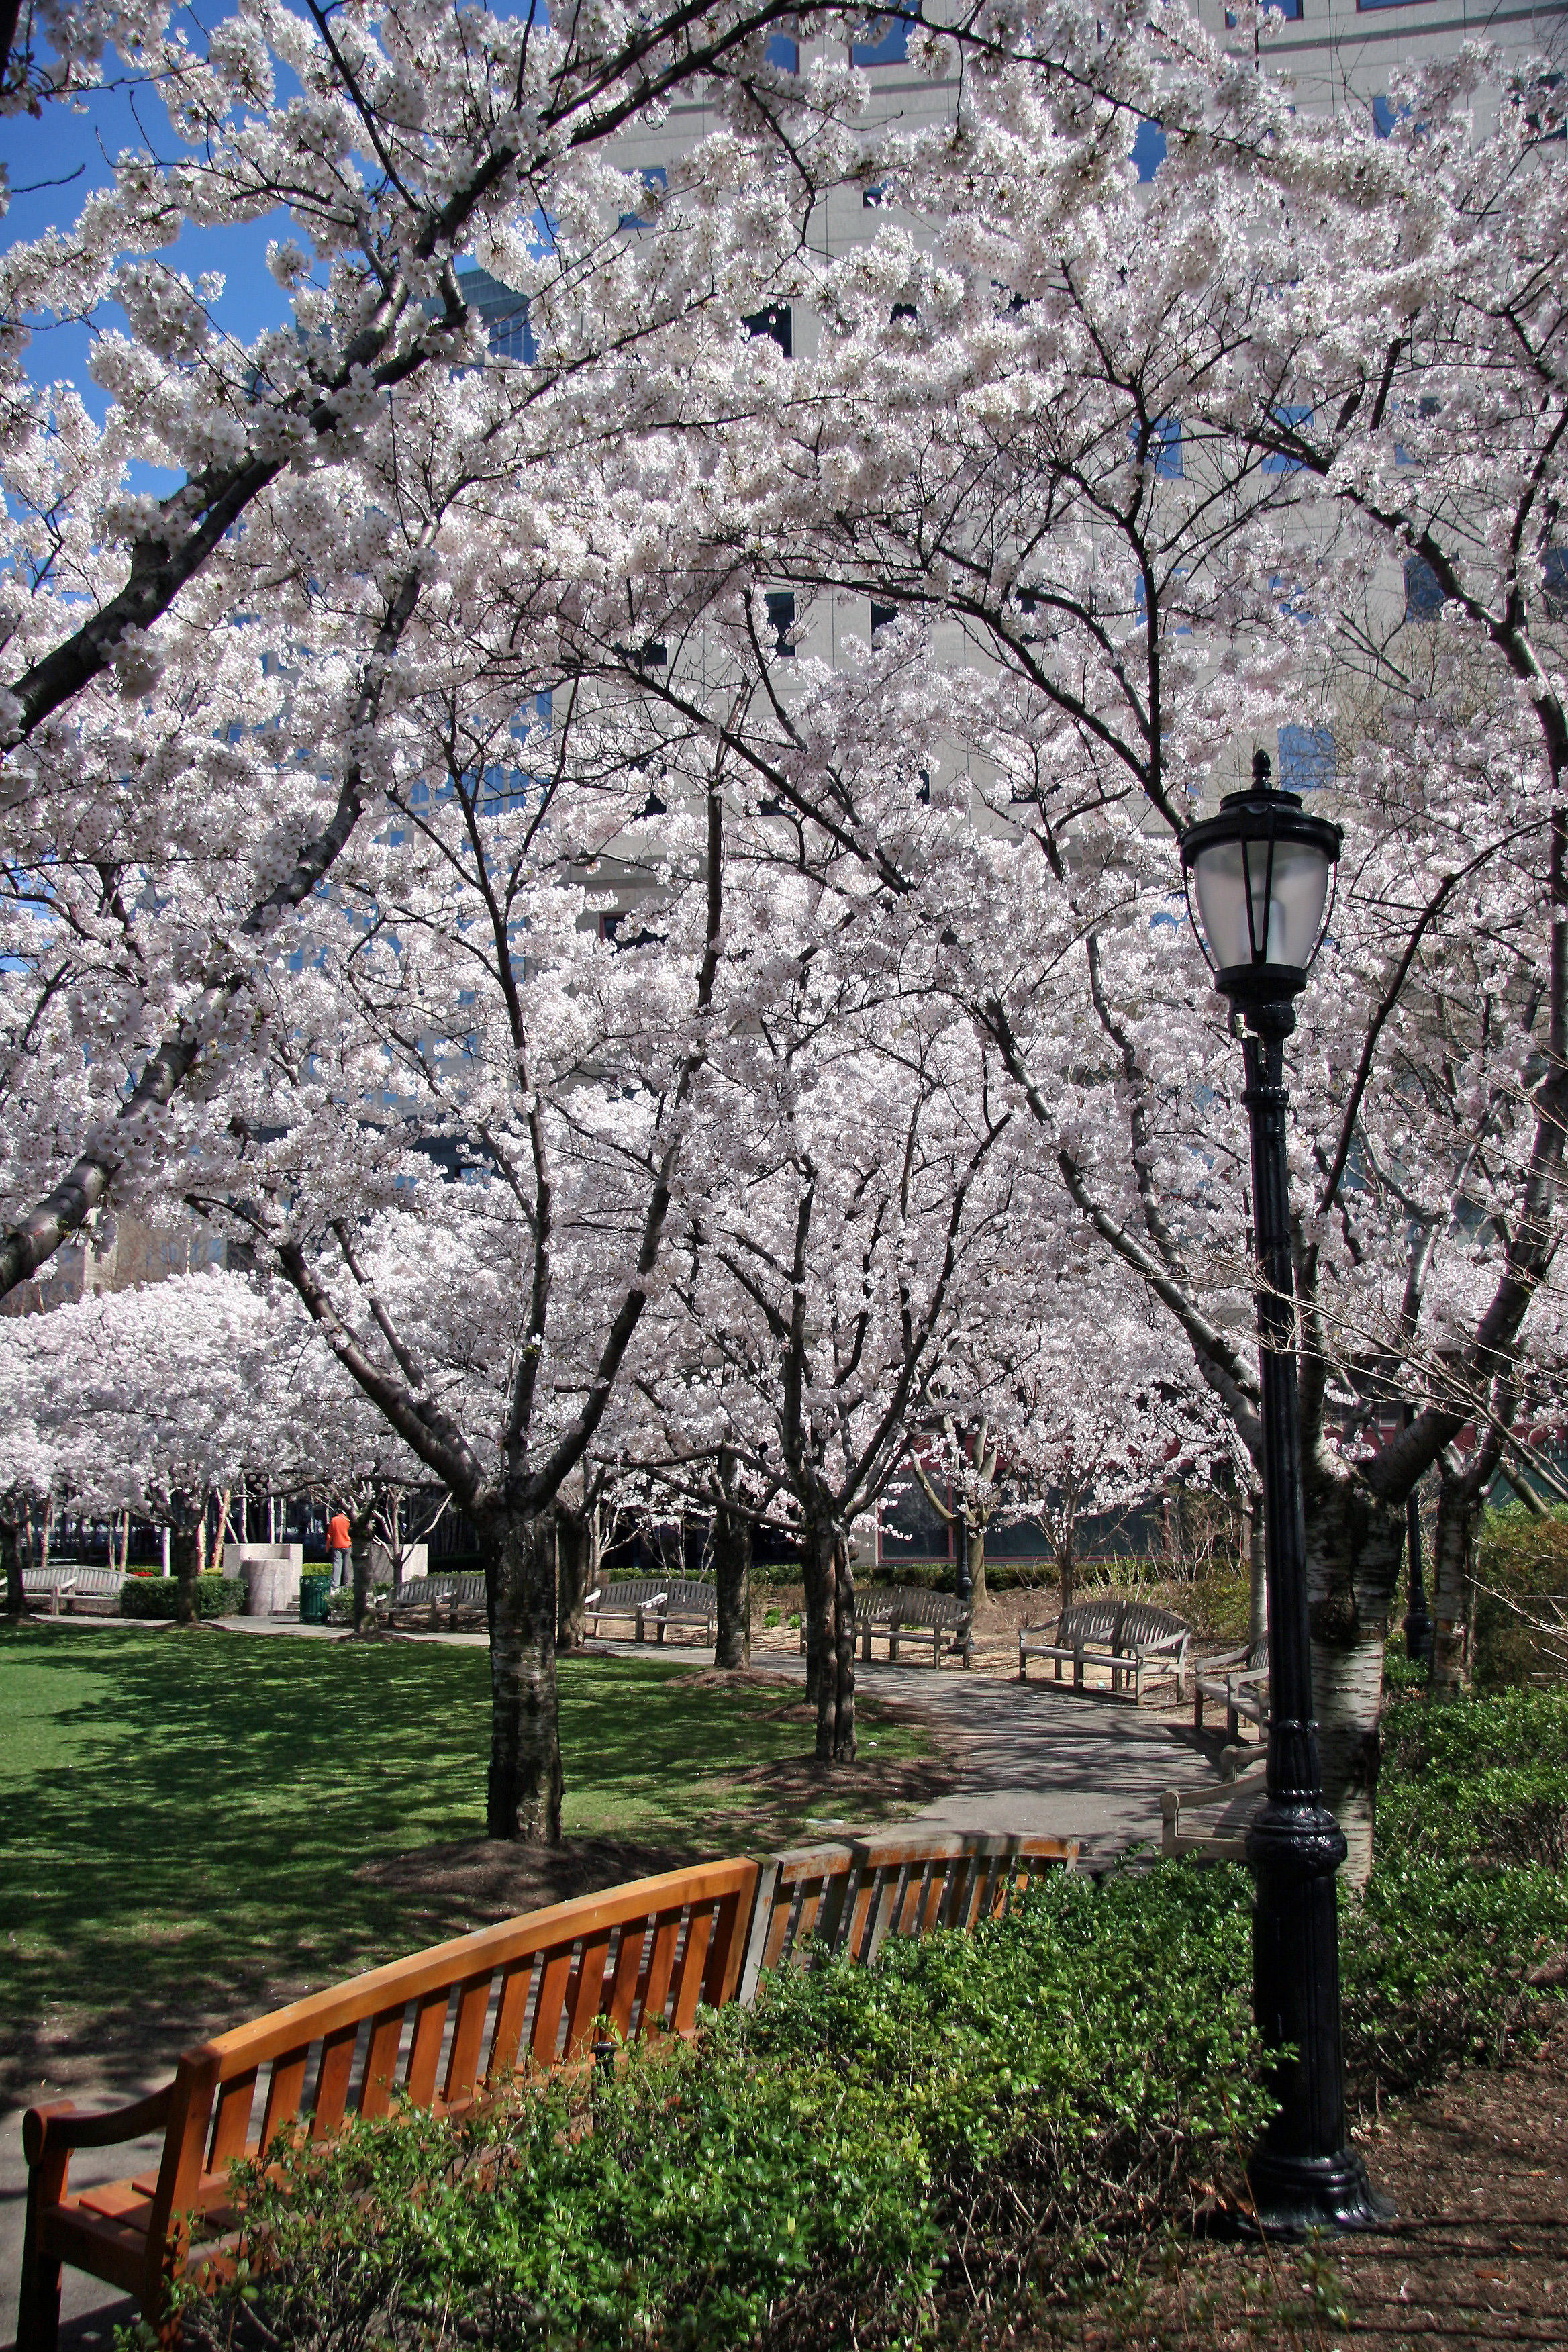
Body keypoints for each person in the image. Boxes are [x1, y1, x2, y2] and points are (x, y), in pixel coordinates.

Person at [326, 1506, 352, 1589]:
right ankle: (348, 1584)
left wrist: (327, 1547)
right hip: (348, 1545)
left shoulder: (334, 1520)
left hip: (337, 1545)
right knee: (348, 1564)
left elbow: (329, 1535)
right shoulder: (348, 1521)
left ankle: (335, 1584)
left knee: (337, 1564)